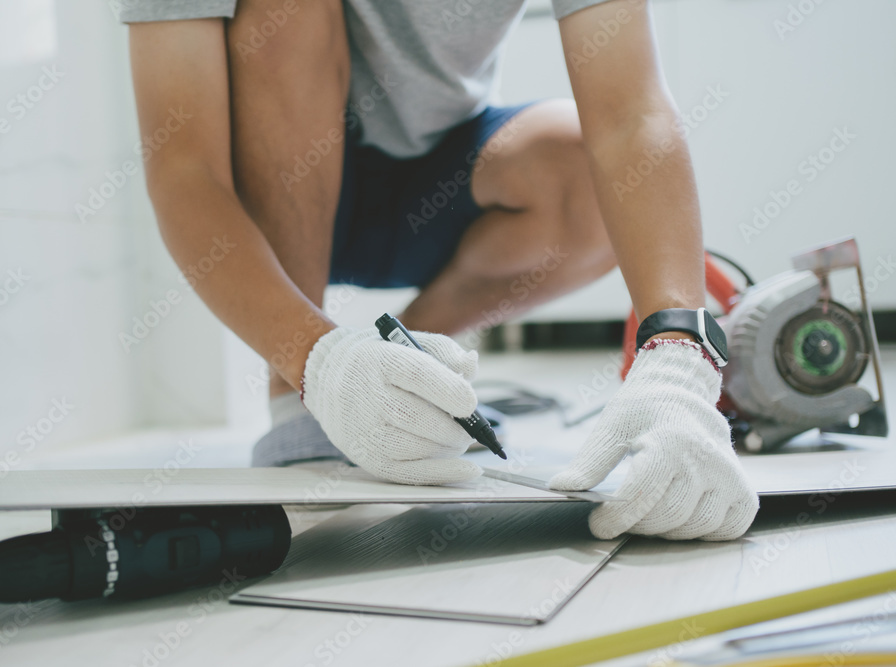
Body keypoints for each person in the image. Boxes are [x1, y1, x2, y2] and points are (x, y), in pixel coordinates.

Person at [119, 0, 759, 541]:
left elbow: (631, 114)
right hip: (263, 195)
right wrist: (316, 361)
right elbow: (184, 168)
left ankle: (412, 380)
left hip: (439, 187)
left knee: (581, 168)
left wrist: (678, 357)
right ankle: (305, 402)